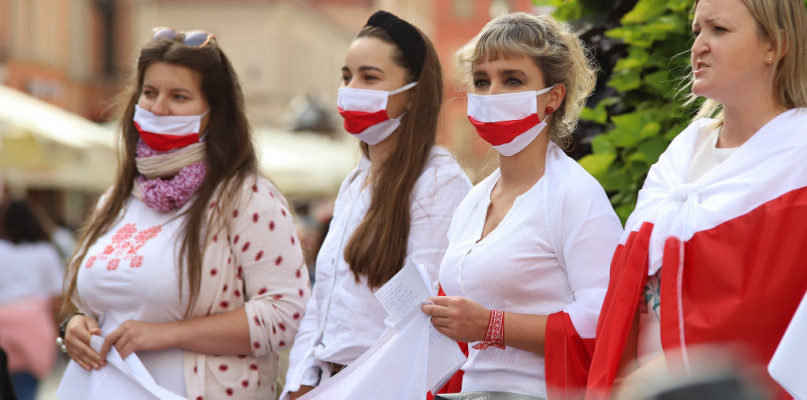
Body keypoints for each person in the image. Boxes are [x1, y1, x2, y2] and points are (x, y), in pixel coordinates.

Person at [58, 28, 310, 399]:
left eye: (179, 96)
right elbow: (90, 306)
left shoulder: (247, 197)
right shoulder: (116, 200)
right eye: (150, 93)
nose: (159, 108)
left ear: (214, 113)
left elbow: (287, 313)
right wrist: (74, 326)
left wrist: (164, 335)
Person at [585, 0, 807, 399]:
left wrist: (667, 373)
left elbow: (781, 316)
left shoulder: (799, 159)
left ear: (775, 45)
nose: (699, 46)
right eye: (697, 31)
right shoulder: (682, 151)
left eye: (718, 30)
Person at [421, 12, 623, 399]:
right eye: (481, 81)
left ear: (554, 96)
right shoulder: (473, 201)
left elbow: (606, 320)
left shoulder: (574, 194)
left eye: (512, 80)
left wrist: (492, 325)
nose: (491, 94)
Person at [283, 10, 472, 399]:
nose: (351, 88)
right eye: (346, 76)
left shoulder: (438, 182)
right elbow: (321, 302)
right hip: (326, 383)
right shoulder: (355, 181)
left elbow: (420, 316)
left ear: (414, 92)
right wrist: (299, 383)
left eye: (370, 77)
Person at [0, 200, 64, 400]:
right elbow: (56, 297)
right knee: (27, 390)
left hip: (2, 323)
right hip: (35, 325)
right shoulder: (46, 251)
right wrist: (58, 329)